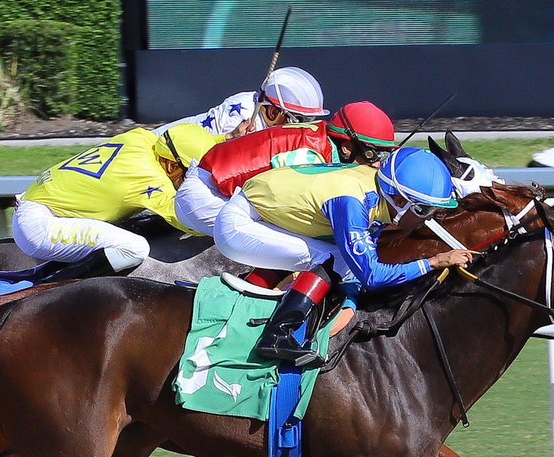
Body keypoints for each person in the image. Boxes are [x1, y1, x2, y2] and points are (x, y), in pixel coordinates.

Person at [214, 145, 473, 366]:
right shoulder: (351, 202)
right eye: (424, 210)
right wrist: (433, 262)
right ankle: (277, 335)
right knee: (332, 259)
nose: (427, 219)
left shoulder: (375, 191)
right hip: (239, 225)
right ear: (399, 200)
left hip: (261, 211)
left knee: (338, 258)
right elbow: (372, 275)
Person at [9, 123, 221, 283]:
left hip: (38, 205)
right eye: (190, 176)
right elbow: (191, 219)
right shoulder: (147, 178)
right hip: (37, 226)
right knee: (134, 248)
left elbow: (189, 138)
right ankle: (44, 290)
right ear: (170, 165)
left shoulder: (143, 138)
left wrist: (226, 138)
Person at [175, 100, 397, 237]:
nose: (377, 163)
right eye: (372, 154)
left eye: (384, 155)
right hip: (207, 194)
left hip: (217, 182)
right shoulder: (311, 156)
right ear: (347, 147)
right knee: (312, 245)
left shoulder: (323, 140)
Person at [153, 66, 328, 139]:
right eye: (299, 120)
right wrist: (236, 141)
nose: (304, 127)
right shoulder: (241, 117)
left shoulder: (261, 110)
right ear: (274, 113)